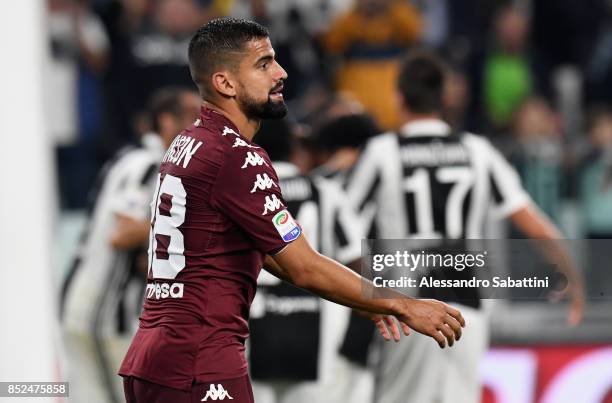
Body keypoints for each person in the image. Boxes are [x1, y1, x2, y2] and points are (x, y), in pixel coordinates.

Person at [118, 18, 465, 403]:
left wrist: (365, 299)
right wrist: (402, 304)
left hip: (154, 358)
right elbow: (304, 265)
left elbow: (274, 257)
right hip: (201, 364)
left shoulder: (187, 143)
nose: (280, 73)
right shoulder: (236, 156)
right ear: (225, 83)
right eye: (263, 64)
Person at [344, 52, 585, 403]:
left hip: (407, 301)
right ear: (445, 98)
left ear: (398, 97)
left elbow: (341, 223)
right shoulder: (478, 150)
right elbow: (536, 224)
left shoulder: (382, 152)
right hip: (467, 301)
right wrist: (573, 278)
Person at [60, 87, 201, 403]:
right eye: (193, 117)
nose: (200, 128)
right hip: (108, 312)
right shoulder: (153, 164)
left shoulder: (129, 157)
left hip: (86, 301)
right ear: (166, 121)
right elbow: (121, 233)